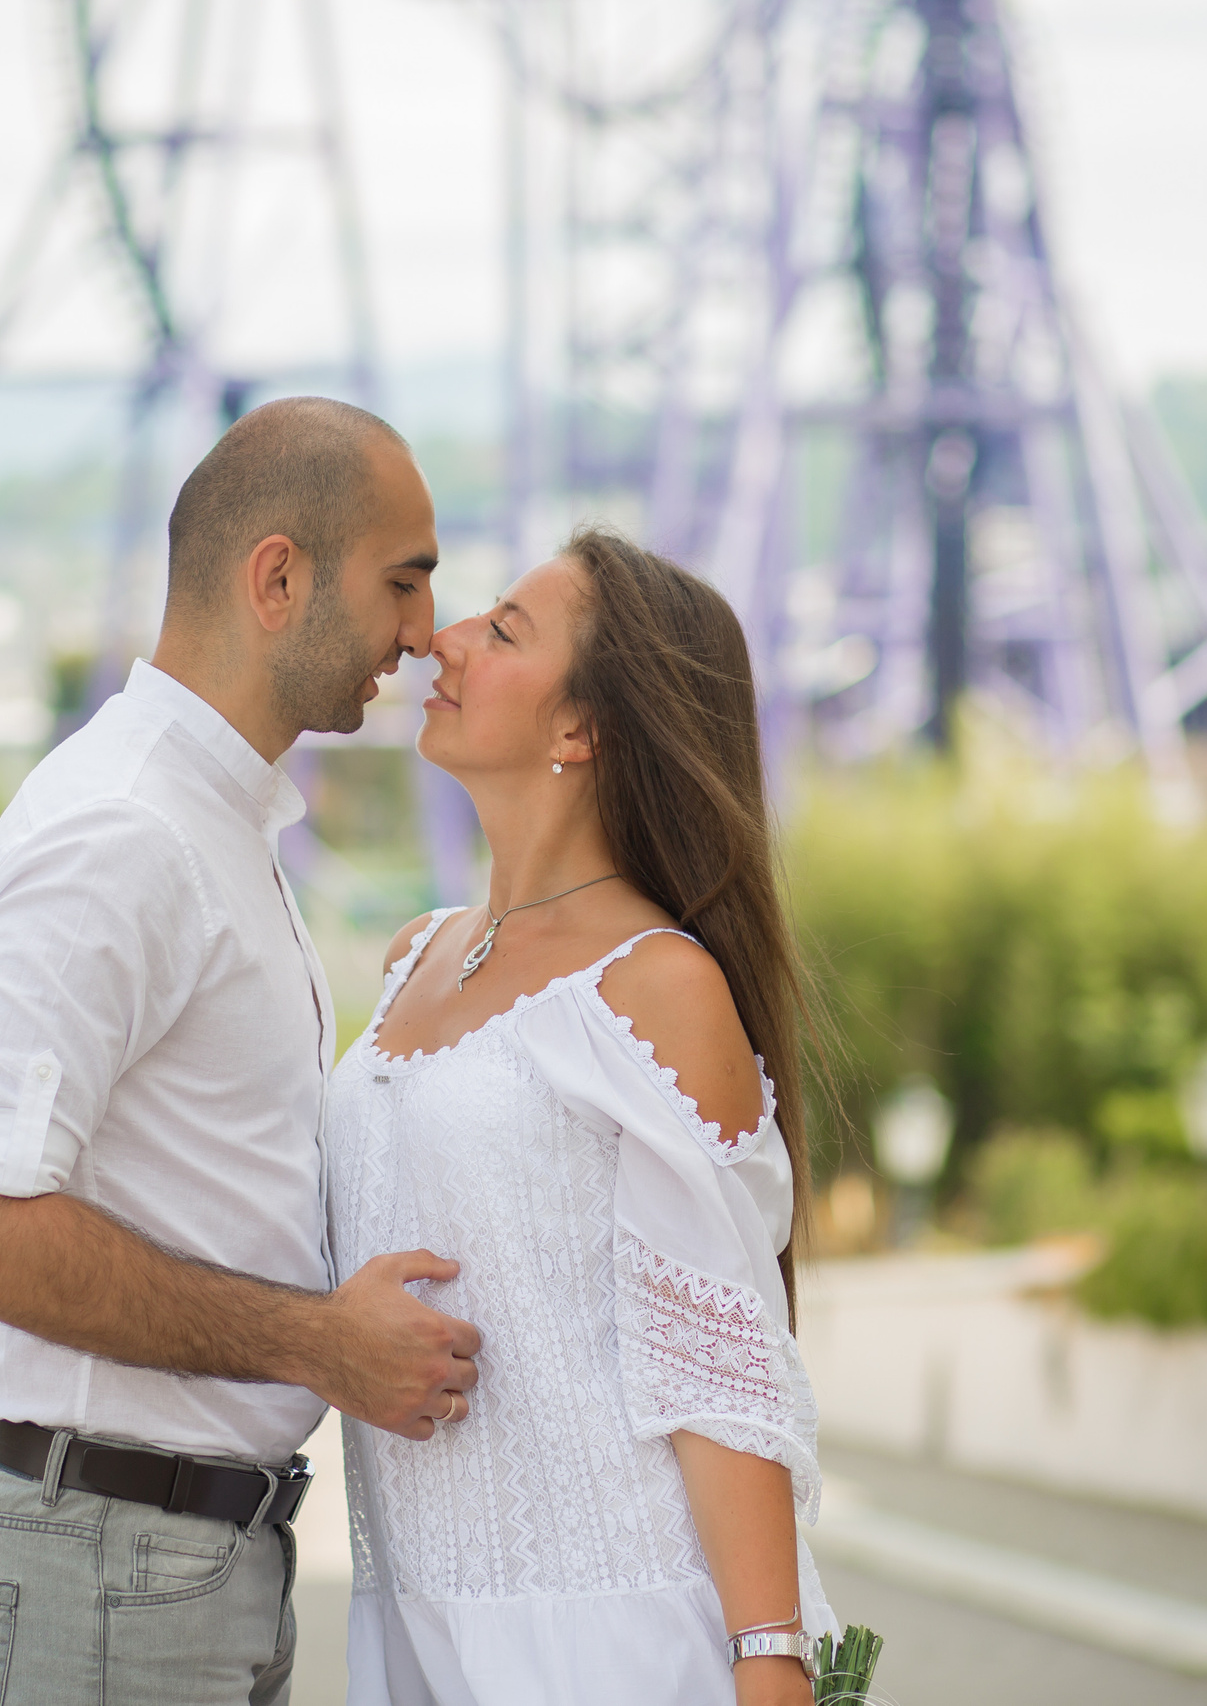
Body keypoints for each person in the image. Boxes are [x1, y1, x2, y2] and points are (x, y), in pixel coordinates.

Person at [0, 396, 482, 1706]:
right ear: (278, 577)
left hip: (159, 1558)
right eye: (402, 581)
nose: (422, 633)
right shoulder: (126, 832)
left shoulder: (205, 821)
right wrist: (320, 1343)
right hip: (100, 1559)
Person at [326, 524, 831, 1705]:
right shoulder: (413, 957)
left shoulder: (654, 986)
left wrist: (770, 1661)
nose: (445, 639)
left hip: (611, 1639)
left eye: (503, 631)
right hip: (419, 1619)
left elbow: (716, 1369)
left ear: (580, 728)